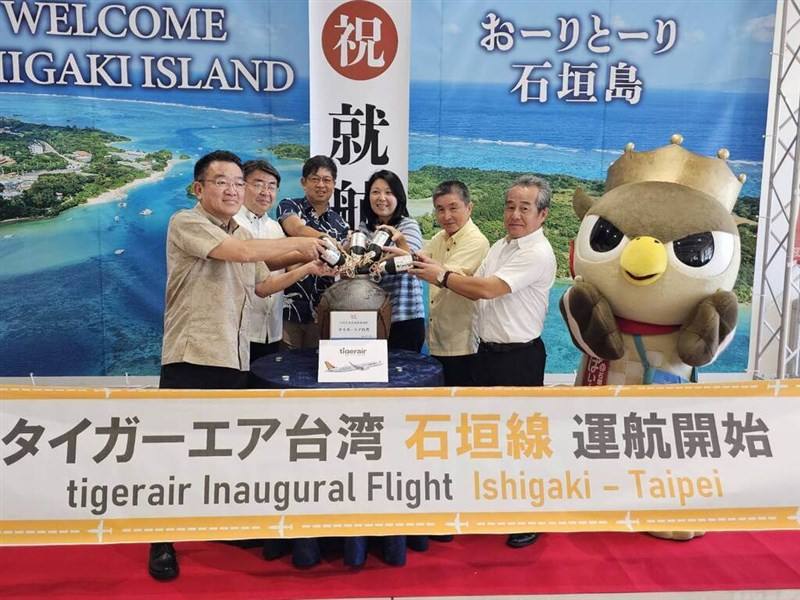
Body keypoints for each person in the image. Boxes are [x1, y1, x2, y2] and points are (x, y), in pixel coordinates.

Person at [150, 150, 325, 581]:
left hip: (234, 354)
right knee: (175, 452)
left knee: (222, 448)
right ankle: (160, 540)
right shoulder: (186, 223)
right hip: (192, 354)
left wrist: (310, 264)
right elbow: (244, 253)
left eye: (236, 182)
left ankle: (216, 523)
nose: (232, 189)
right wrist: (304, 239)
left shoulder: (241, 232)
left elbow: (263, 285)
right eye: (221, 181)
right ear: (199, 188)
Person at [410, 174, 556, 550]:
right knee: (486, 437)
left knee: (522, 441)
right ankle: (489, 504)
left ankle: (530, 517)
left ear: (542, 214)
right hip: (487, 352)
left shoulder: (535, 252)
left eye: (525, 208)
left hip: (519, 357)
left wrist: (439, 275)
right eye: (510, 206)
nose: (515, 215)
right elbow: (472, 279)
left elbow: (487, 289)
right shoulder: (502, 246)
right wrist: (424, 262)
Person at [235, 159, 332, 368]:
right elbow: (262, 269)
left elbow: (282, 270)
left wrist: (317, 265)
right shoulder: (233, 224)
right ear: (241, 185)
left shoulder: (274, 228)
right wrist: (319, 244)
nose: (265, 192)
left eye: (271, 186)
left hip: (272, 329)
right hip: (240, 330)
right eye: (258, 184)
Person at [276, 155, 349, 350]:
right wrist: (325, 238)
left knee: (315, 371)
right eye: (315, 179)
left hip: (322, 311)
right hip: (288, 309)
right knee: (286, 369)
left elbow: (343, 264)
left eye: (327, 180)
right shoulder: (289, 206)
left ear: (334, 183)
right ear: (303, 182)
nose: (321, 185)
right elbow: (296, 229)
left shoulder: (341, 224)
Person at [423, 180, 489, 386]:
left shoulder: (476, 241)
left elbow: (442, 275)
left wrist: (421, 265)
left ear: (469, 207)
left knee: (460, 406)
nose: (446, 216)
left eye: (453, 208)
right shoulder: (439, 237)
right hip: (438, 339)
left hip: (462, 344)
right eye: (440, 210)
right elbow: (419, 259)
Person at [360, 169, 425, 352]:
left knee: (404, 377)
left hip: (405, 317)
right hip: (372, 318)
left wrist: (401, 242)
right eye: (375, 192)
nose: (382, 198)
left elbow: (412, 263)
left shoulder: (408, 225)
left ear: (398, 197)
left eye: (388, 192)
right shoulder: (363, 229)